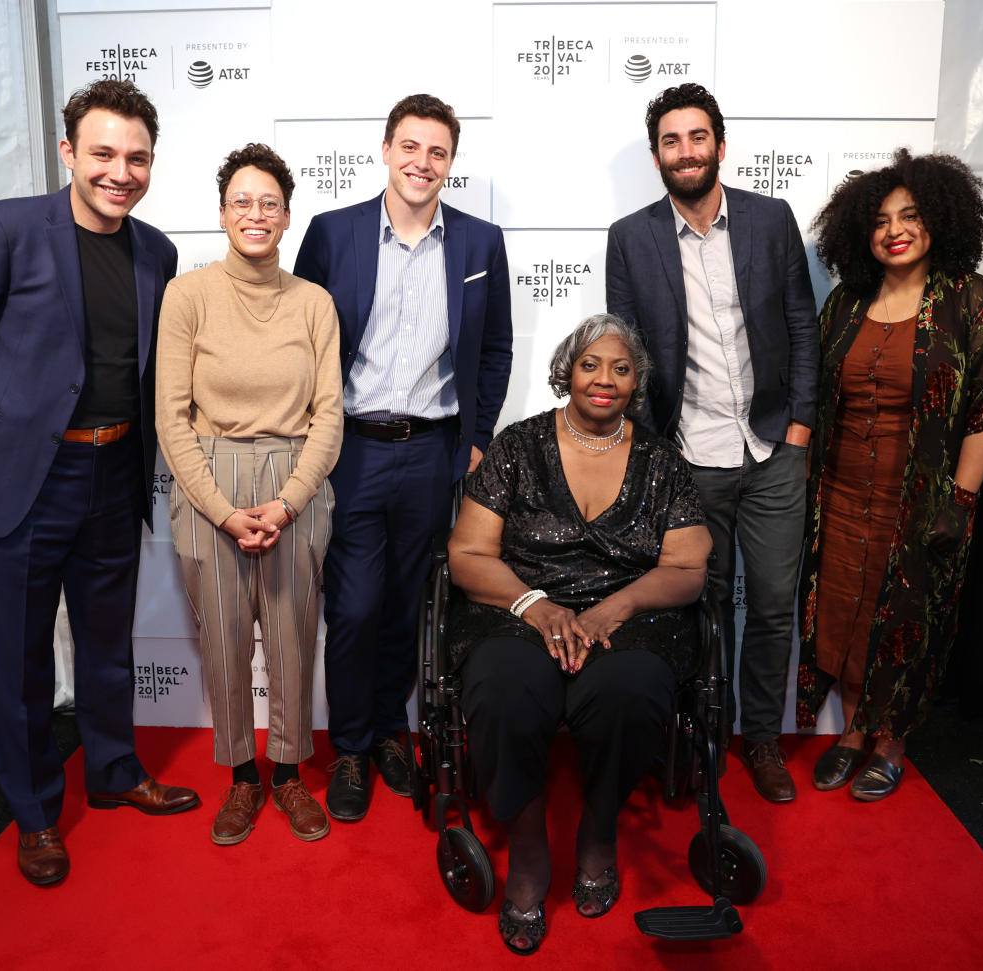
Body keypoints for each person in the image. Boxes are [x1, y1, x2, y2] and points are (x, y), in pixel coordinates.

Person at [0, 80, 198, 886]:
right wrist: (17, 424)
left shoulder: (157, 251)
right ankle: (37, 812)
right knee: (17, 661)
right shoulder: (4, 231)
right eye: (104, 154)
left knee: (108, 641)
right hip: (26, 480)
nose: (121, 171)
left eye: (137, 157)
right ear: (68, 152)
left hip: (115, 471)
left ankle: (115, 771)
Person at [446, 315, 712, 954]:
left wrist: (613, 610)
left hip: (629, 617)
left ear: (636, 385)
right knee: (503, 688)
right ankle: (531, 849)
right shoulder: (517, 446)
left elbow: (687, 569)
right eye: (591, 364)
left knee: (635, 690)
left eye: (622, 369)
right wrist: (536, 605)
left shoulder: (661, 462)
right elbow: (468, 554)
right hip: (518, 609)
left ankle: (598, 832)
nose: (605, 379)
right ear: (567, 371)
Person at [293, 93, 513, 822]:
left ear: (452, 162)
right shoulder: (333, 234)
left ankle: (390, 730)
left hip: (433, 453)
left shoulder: (480, 244)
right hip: (352, 448)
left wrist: (475, 438)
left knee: (406, 602)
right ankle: (350, 744)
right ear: (386, 150)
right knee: (352, 606)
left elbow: (497, 347)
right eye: (410, 147)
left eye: (438, 151)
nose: (423, 163)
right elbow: (302, 341)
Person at [796, 149, 983, 799]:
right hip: (841, 494)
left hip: (922, 501)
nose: (894, 229)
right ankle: (850, 733)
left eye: (910, 215)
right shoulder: (846, 303)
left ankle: (890, 740)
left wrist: (959, 497)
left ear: (940, 221)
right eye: (879, 220)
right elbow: (816, 394)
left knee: (905, 618)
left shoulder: (970, 301)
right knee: (841, 611)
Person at [605, 83, 818, 803]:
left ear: (719, 146)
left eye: (698, 137)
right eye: (671, 140)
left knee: (773, 600)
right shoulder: (630, 237)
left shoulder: (770, 218)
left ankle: (760, 736)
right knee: (702, 603)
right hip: (689, 455)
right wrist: (651, 451)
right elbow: (627, 353)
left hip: (772, 448)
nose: (686, 151)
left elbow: (801, 321)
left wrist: (801, 424)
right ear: (658, 154)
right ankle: (704, 733)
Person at [155, 144, 342, 844]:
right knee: (225, 642)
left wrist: (289, 501)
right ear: (223, 211)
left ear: (288, 216)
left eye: (270, 202)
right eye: (242, 201)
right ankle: (241, 779)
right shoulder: (188, 295)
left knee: (294, 637)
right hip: (211, 481)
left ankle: (288, 774)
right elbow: (171, 419)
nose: (255, 213)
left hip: (296, 481)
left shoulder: (314, 303)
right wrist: (226, 511)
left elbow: (330, 416)